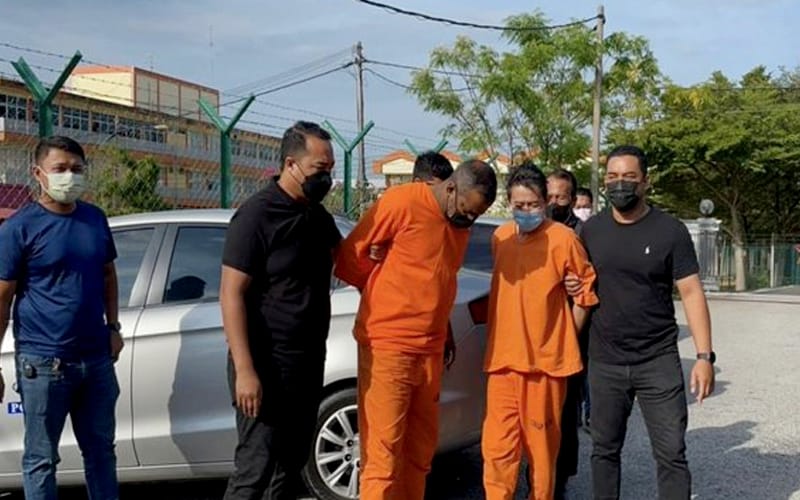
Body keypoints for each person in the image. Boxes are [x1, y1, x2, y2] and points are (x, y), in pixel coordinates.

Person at [335, 160, 497, 500]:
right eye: (467, 210)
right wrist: (382, 290)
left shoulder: (459, 224)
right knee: (383, 456)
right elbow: (350, 259)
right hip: (388, 346)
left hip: (431, 349)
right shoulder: (402, 202)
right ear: (450, 188)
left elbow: (442, 279)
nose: (469, 220)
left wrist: (445, 327)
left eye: (477, 215)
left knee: (420, 453)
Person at [581, 145, 715, 500]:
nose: (619, 184)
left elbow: (691, 292)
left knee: (671, 453)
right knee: (604, 451)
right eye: (612, 177)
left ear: (645, 182)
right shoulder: (591, 231)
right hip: (605, 361)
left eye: (629, 177)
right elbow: (578, 290)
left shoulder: (670, 231)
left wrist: (704, 357)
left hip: (658, 360)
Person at [220, 121, 341, 500]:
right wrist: (245, 371)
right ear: (291, 164)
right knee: (254, 470)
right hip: (266, 364)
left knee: (291, 468)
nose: (327, 179)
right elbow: (231, 295)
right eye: (319, 169)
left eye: (330, 169)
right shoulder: (256, 216)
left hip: (307, 362)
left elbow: (349, 262)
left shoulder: (318, 218)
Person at [0, 136, 124, 500]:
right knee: (41, 460)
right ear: (38, 173)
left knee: (101, 453)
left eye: (76, 169)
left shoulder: (95, 218)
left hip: (96, 360)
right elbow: (2, 298)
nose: (69, 176)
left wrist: (113, 327)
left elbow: (108, 275)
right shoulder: (18, 228)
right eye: (60, 169)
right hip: (43, 363)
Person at [482, 163, 598, 500]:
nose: (526, 211)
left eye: (533, 204)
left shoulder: (563, 239)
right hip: (502, 362)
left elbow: (585, 296)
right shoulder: (501, 237)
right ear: (509, 202)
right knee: (497, 451)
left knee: (542, 452)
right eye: (519, 205)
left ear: (545, 202)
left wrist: (565, 338)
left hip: (545, 367)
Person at [547, 168, 583, 232]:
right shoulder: (534, 229)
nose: (553, 202)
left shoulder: (583, 232)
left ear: (573, 201)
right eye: (548, 197)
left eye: (561, 198)